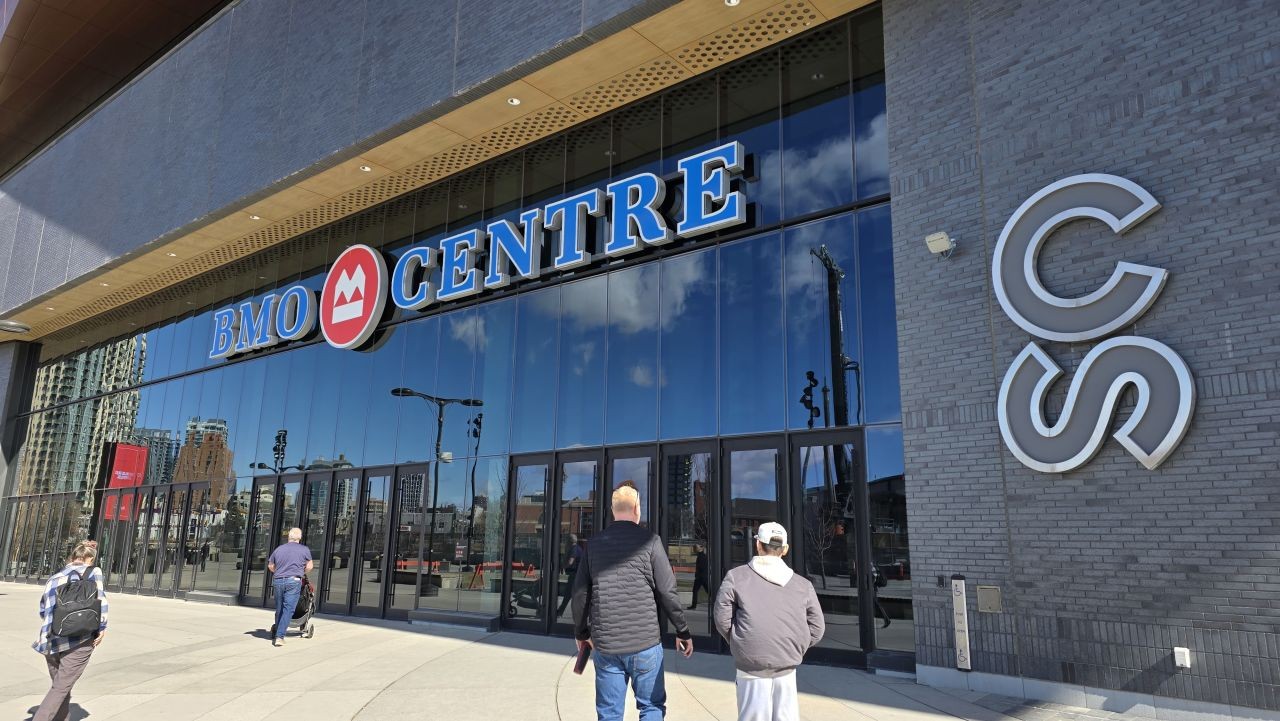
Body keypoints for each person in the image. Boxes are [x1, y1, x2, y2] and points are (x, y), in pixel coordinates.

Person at [572, 484, 694, 720]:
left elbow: (579, 594)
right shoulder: (651, 541)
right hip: (645, 644)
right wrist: (683, 630)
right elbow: (667, 591)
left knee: (609, 714)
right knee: (651, 708)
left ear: (612, 509)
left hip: (606, 645)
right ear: (637, 508)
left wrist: (581, 632)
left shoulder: (594, 544)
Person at [714, 522, 824, 721]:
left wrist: (741, 641)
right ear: (785, 549)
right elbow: (817, 627)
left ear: (757, 544)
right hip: (787, 667)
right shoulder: (803, 585)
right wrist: (796, 646)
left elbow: (721, 618)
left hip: (750, 667)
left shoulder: (736, 577)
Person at [32, 540, 108, 721]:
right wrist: (102, 628)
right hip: (79, 639)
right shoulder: (94, 573)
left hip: (51, 640)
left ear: (73, 557)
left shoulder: (54, 578)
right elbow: (102, 602)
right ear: (89, 558)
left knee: (61, 686)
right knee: (60, 687)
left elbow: (43, 609)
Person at [266, 528, 313, 647]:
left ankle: (278, 629)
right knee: (288, 609)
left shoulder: (279, 549)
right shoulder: (304, 550)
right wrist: (301, 571)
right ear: (299, 538)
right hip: (293, 580)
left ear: (289, 537)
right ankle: (280, 636)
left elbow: (271, 566)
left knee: (279, 607)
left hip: (278, 580)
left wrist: (280, 572)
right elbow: (309, 566)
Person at [556, 533, 581, 617]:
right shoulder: (578, 548)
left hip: (575, 575)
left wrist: (563, 566)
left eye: (566, 540)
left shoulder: (574, 549)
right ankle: (560, 611)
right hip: (578, 575)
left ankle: (560, 612)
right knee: (571, 595)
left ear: (569, 541)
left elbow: (570, 561)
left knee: (568, 594)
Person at [687, 543, 708, 610]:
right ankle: (716, 602)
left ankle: (693, 605)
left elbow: (701, 568)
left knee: (695, 590)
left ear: (701, 548)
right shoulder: (702, 556)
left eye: (696, 547)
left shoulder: (701, 557)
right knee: (708, 591)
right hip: (703, 576)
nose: (694, 549)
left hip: (700, 577)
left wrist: (698, 575)